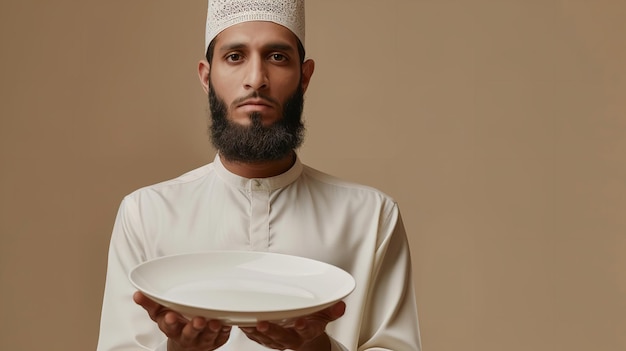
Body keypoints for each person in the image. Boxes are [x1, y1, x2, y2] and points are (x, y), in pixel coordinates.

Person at [96, 1, 421, 350]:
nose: (256, 80)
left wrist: (317, 348)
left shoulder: (371, 216)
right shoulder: (146, 214)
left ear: (305, 76)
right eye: (235, 56)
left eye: (277, 57)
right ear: (207, 77)